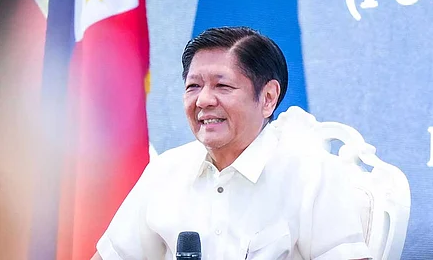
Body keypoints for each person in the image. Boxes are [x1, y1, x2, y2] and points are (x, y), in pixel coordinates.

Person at [92, 26, 371, 260]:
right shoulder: (165, 170)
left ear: (268, 98)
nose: (203, 101)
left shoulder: (312, 173)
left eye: (222, 86)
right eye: (193, 86)